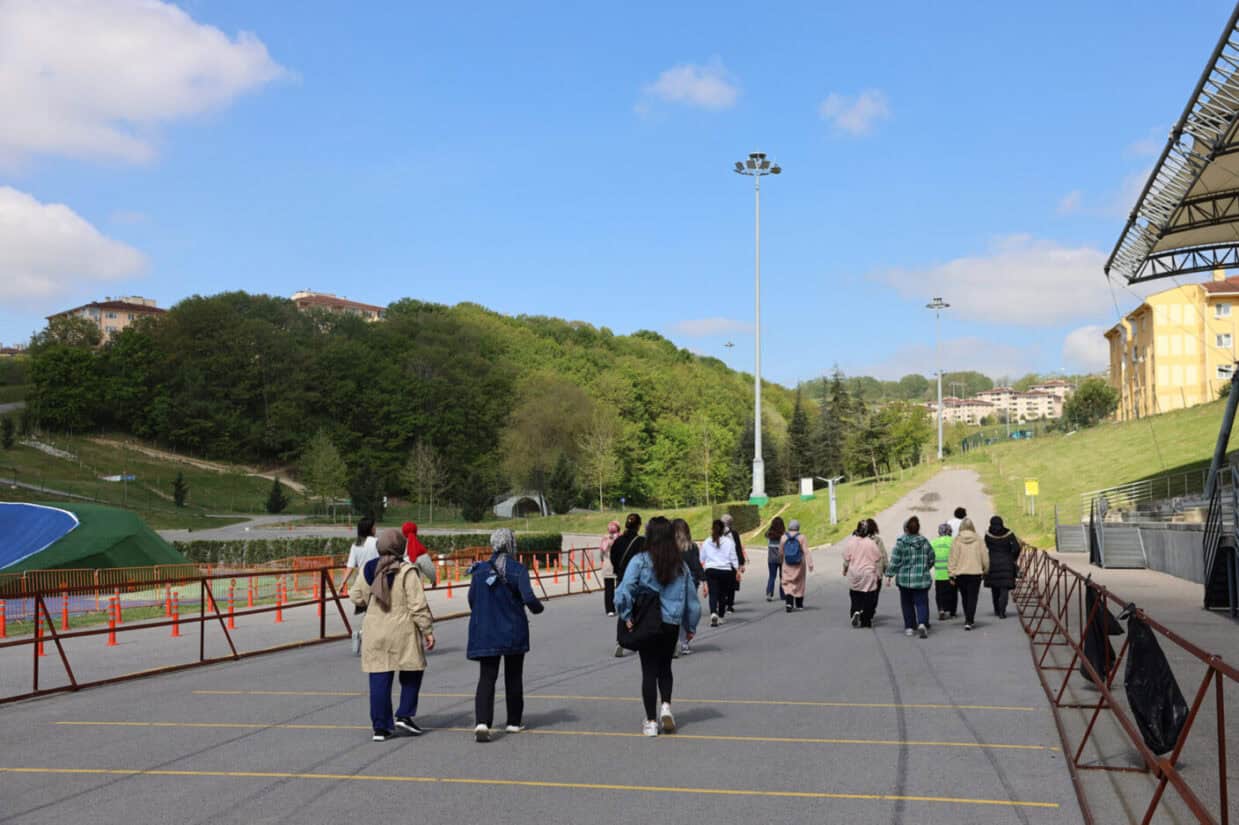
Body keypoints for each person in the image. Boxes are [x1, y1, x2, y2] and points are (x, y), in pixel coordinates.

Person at [614, 516, 701, 737]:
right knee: (665, 667)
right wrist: (690, 626)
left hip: (647, 621)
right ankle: (666, 707)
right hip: (671, 623)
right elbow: (692, 600)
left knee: (648, 670)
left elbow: (624, 590)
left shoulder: (640, 560)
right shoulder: (680, 565)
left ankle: (651, 722)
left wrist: (626, 614)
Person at [349, 528, 435, 741]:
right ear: (400, 547)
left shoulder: (369, 568)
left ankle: (380, 727)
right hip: (402, 629)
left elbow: (356, 596)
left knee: (379, 677)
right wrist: (427, 630)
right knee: (413, 669)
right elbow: (417, 605)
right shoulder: (406, 570)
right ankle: (404, 714)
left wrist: (368, 601)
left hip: (375, 628)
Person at [466, 528, 544, 742]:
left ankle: (482, 722)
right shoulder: (517, 569)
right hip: (512, 629)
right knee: (513, 675)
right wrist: (538, 608)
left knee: (487, 677)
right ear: (511, 545)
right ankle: (513, 721)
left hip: (486, 630)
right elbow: (529, 598)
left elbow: (472, 599)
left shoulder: (479, 570)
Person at [885, 516, 934, 638]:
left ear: (906, 529)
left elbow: (895, 561)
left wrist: (889, 574)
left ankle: (909, 628)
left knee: (907, 604)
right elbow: (932, 557)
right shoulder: (924, 542)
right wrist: (925, 567)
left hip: (904, 580)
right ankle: (922, 623)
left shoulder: (901, 543)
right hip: (921, 579)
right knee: (922, 603)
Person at [608, 514, 645, 656]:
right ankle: (638, 639)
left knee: (623, 607)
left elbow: (613, 557)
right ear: (639, 526)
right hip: (638, 580)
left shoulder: (618, 541)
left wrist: (619, 570)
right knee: (639, 609)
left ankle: (620, 641)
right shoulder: (641, 542)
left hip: (621, 578)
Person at [343, 517, 380, 656]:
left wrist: (343, 582)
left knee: (369, 611)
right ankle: (363, 634)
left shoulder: (356, 545)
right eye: (374, 526)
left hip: (361, 582)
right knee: (378, 611)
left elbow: (350, 566)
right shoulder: (376, 542)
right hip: (376, 580)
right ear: (370, 529)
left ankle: (363, 634)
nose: (376, 529)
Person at [948, 517, 988, 630]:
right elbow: (985, 557)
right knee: (973, 597)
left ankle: (968, 617)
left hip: (961, 574)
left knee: (965, 597)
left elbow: (953, 558)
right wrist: (985, 570)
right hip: (975, 573)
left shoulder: (957, 540)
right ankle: (969, 620)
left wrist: (951, 573)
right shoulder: (978, 539)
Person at [672, 518, 704, 656]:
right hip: (691, 581)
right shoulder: (691, 546)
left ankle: (674, 639)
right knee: (689, 610)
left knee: (675, 610)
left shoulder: (669, 547)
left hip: (673, 581)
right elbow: (696, 565)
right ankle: (685, 641)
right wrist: (703, 579)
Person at [842, 521, 882, 628]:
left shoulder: (851, 542)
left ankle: (855, 611)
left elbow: (846, 559)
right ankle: (866, 620)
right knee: (869, 596)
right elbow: (878, 557)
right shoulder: (871, 543)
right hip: (868, 573)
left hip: (855, 572)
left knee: (855, 594)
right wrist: (879, 572)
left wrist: (845, 569)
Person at [699, 519, 739, 626]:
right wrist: (737, 570)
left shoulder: (707, 542)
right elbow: (733, 557)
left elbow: (701, 558)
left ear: (712, 529)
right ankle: (721, 616)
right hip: (725, 570)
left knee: (713, 593)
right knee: (723, 594)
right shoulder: (729, 542)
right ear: (723, 530)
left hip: (711, 570)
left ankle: (713, 613)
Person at [984, 516, 1021, 619]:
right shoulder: (1009, 534)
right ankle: (1002, 611)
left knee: (994, 588)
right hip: (1007, 563)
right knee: (1004, 588)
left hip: (993, 563)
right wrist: (1012, 557)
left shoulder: (988, 535)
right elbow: (1017, 548)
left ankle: (996, 609)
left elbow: (986, 547)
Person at [780, 519, 813, 611]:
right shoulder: (802, 537)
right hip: (799, 564)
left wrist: (781, 561)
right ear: (798, 527)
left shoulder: (783, 537)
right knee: (800, 582)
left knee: (787, 582)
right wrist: (810, 564)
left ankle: (789, 602)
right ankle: (799, 604)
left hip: (787, 563)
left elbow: (781, 552)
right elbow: (806, 551)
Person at [931, 523, 957, 621]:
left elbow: (930, 556)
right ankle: (951, 611)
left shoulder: (934, 542)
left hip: (939, 573)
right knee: (952, 593)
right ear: (950, 532)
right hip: (951, 572)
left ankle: (941, 609)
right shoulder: (953, 541)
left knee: (939, 594)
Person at [721, 513, 745, 613]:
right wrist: (741, 563)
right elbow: (738, 548)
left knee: (723, 584)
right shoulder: (734, 534)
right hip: (731, 562)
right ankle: (729, 605)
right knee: (731, 584)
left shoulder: (718, 533)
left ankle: (725, 603)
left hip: (721, 562)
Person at [865, 518, 889, 610]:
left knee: (863, 592)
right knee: (874, 594)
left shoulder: (859, 540)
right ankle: (870, 610)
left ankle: (862, 609)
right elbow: (883, 555)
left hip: (862, 572)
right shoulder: (878, 540)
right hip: (876, 573)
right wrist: (887, 571)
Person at [599, 520, 621, 616]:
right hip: (619, 565)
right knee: (621, 587)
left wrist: (603, 560)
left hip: (607, 565)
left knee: (608, 589)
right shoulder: (620, 538)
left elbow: (601, 554)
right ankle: (621, 607)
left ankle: (610, 609)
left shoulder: (605, 539)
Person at [765, 517, 786, 602]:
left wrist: (771, 528)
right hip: (782, 559)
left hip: (771, 559)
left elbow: (765, 534)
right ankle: (783, 594)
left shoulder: (769, 534)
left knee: (772, 576)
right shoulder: (784, 535)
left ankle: (769, 593)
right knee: (782, 577)